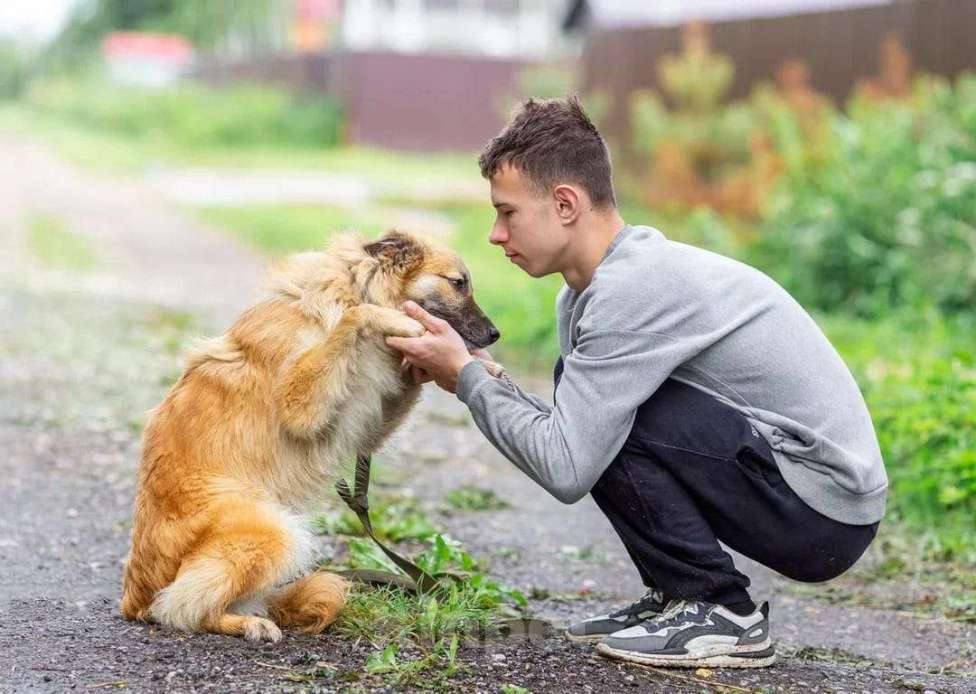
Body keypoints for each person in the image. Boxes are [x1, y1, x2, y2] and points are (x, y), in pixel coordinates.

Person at [386, 96, 886, 669]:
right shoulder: (588, 291)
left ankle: (719, 610)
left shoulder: (632, 289)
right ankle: (679, 596)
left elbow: (567, 464)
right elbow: (575, 433)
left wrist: (470, 375)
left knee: (620, 412)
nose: (497, 234)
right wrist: (477, 375)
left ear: (566, 203)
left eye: (507, 213)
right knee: (593, 402)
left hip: (823, 509)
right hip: (795, 491)